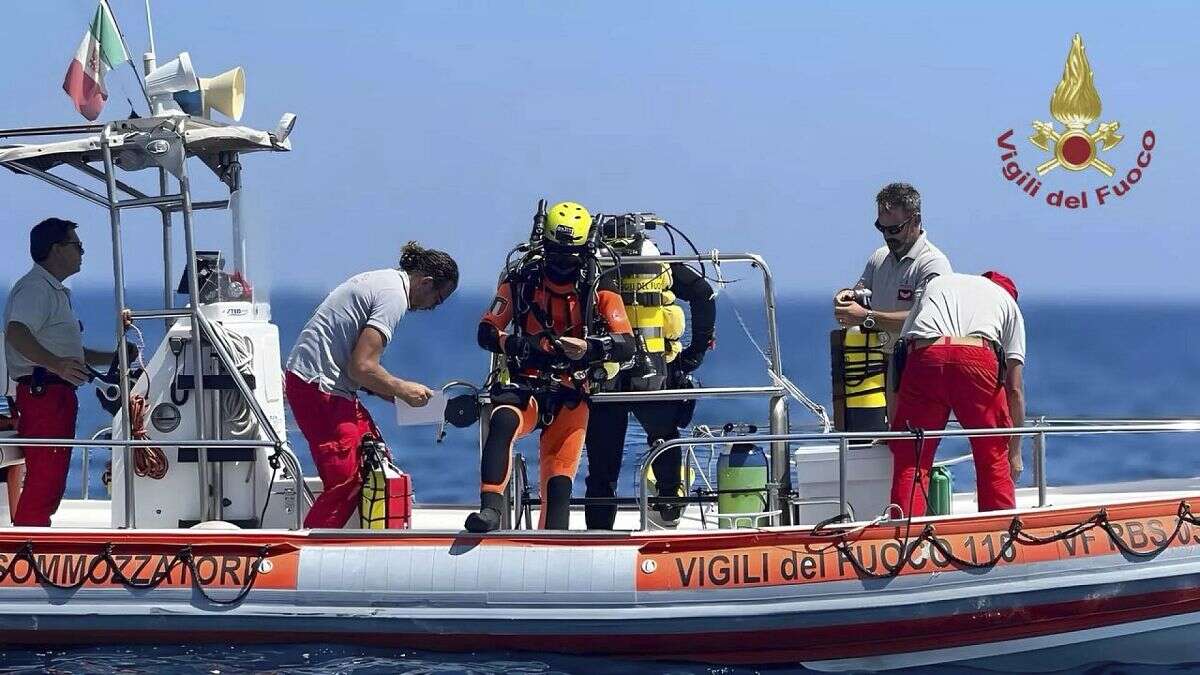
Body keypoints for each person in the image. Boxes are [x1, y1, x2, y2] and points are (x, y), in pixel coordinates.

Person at [467, 201, 635, 533]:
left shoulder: (598, 287)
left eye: (568, 255)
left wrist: (588, 348)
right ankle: (490, 511)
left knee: (559, 481)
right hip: (526, 383)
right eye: (555, 252)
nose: (560, 263)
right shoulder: (522, 280)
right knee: (501, 423)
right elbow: (487, 330)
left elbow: (626, 342)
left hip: (571, 389)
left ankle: (552, 541)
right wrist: (511, 343)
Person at [285, 241, 458, 528]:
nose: (431, 308)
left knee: (377, 461)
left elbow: (357, 369)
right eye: (437, 300)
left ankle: (367, 542)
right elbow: (362, 366)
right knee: (347, 481)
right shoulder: (394, 297)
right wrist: (401, 388)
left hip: (325, 384)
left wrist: (396, 395)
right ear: (426, 283)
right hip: (318, 388)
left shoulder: (386, 281)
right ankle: (311, 551)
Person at [584, 214, 715, 529]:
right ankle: (669, 505)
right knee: (664, 440)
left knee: (602, 469)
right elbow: (703, 294)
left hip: (606, 375)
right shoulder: (662, 265)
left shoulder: (591, 267)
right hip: (654, 370)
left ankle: (598, 533)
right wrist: (694, 352)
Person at [3, 218, 123, 526]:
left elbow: (71, 355)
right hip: (44, 396)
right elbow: (16, 332)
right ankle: (28, 550)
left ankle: (34, 542)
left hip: (54, 395)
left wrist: (114, 356)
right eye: (77, 246)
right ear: (56, 249)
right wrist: (55, 365)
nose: (82, 252)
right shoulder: (35, 288)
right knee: (45, 480)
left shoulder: (52, 290)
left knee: (51, 480)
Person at [887, 271, 1026, 517]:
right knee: (992, 455)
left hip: (925, 355)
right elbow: (1014, 389)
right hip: (976, 357)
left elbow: (900, 357)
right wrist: (1014, 452)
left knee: (912, 460)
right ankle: (999, 536)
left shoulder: (939, 284)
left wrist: (896, 426)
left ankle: (904, 542)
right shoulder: (1007, 304)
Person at [834, 182, 952, 415]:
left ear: (916, 220)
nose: (887, 235)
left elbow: (923, 322)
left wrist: (866, 317)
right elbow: (861, 291)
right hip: (881, 363)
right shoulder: (879, 258)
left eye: (895, 228)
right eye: (882, 228)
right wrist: (847, 298)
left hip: (918, 367)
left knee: (909, 438)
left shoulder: (933, 264)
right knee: (882, 437)